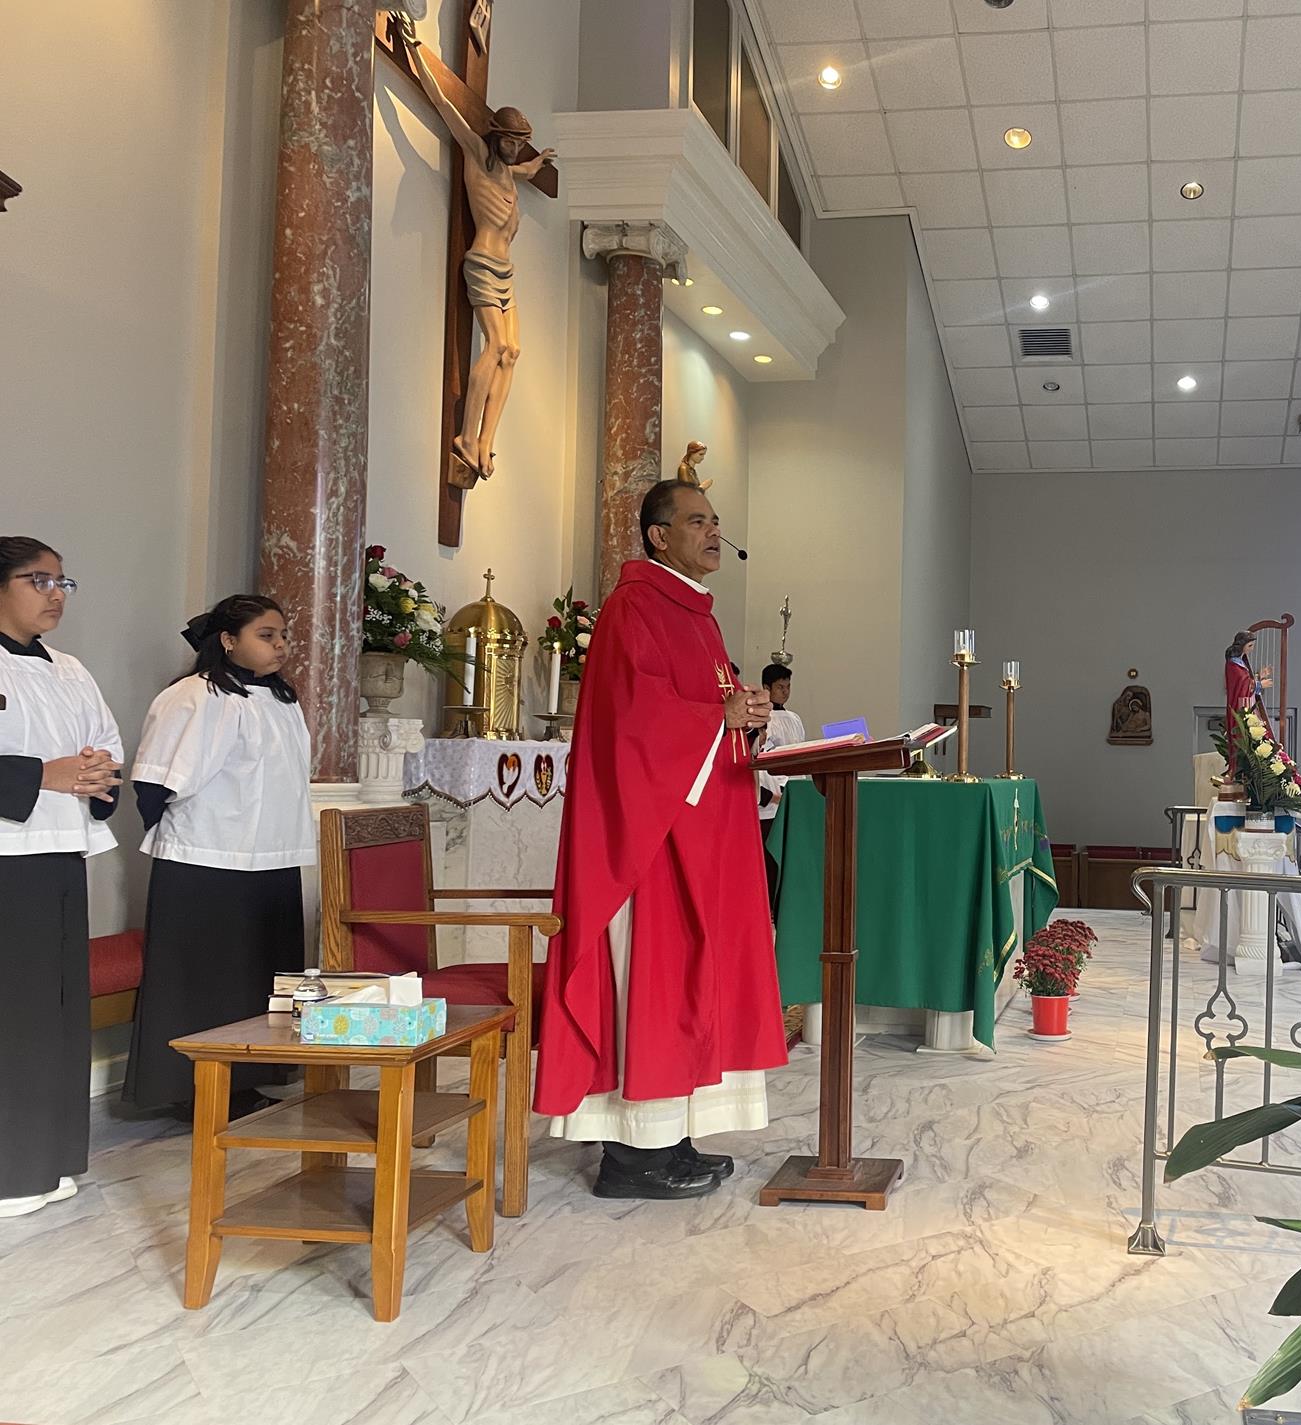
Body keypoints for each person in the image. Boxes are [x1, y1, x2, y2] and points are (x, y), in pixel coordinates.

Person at [535, 480, 786, 1200]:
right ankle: (633, 1157)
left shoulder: (698, 618)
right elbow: (632, 721)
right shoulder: (633, 608)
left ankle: (671, 1137)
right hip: (646, 845)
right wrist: (718, 717)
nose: (714, 533)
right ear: (656, 534)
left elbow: (709, 706)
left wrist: (745, 713)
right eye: (697, 521)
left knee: (689, 984)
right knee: (651, 981)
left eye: (716, 521)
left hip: (699, 836)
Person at [121, 597, 314, 1116]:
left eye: (283, 636)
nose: (280, 646)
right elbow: (155, 781)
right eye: (266, 635)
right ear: (229, 640)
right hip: (205, 861)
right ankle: (186, 1090)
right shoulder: (194, 695)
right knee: (203, 979)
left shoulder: (281, 698)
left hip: (270, 856)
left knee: (257, 975)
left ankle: (247, 1076)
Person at [0, 537, 123, 1218]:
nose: (54, 594)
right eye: (37, 579)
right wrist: (41, 774)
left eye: (62, 582)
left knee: (55, 1013)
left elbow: (106, 745)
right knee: (10, 1017)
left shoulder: (71, 669)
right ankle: (7, 1168)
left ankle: (46, 1156)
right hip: (4, 856)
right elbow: (41, 766)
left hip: (58, 853)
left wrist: (100, 773)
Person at [398, 18, 555, 482]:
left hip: (506, 268)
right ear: (493, 135)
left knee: (514, 351)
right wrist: (417, 54)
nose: (514, 149)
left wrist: (539, 162)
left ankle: (486, 441)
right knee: (498, 344)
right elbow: (446, 105)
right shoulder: (475, 155)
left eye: (520, 144)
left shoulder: (510, 171)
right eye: (509, 141)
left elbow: (527, 175)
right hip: (483, 261)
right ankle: (468, 436)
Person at [755, 662, 804, 905]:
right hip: (771, 800)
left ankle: (785, 905)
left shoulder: (794, 718)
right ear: (767, 688)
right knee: (770, 861)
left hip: (794, 790)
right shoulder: (764, 719)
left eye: (788, 686)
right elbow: (760, 759)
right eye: (780, 687)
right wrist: (772, 794)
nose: (785, 692)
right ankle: (769, 907)